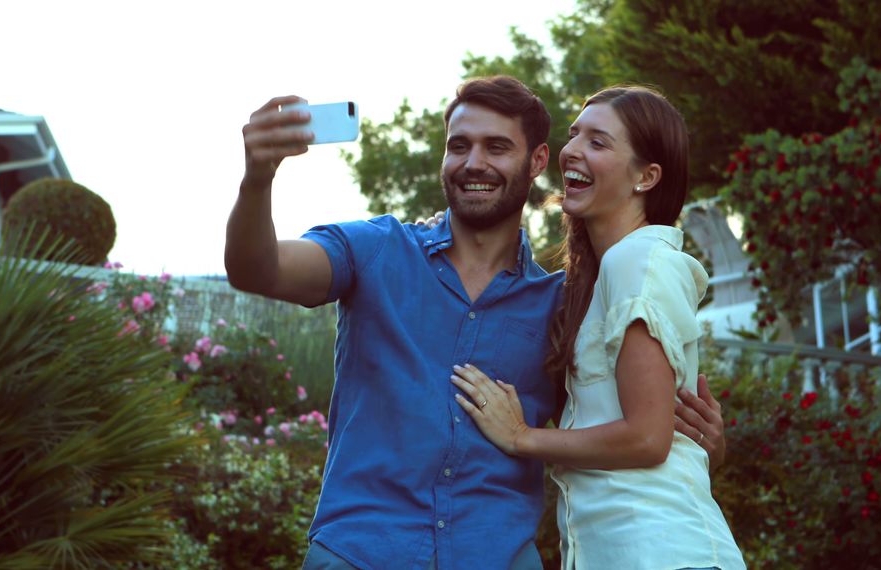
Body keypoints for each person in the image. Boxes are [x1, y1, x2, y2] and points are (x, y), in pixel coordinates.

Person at [225, 76, 728, 570]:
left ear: (535, 162)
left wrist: (697, 442)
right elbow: (256, 269)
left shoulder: (564, 302)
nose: (473, 163)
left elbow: (618, 422)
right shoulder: (375, 249)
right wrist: (257, 178)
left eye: (496, 147)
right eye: (459, 146)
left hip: (498, 556)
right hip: (360, 554)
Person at [450, 85, 745, 569]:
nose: (572, 151)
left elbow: (648, 439)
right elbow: (657, 430)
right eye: (575, 135)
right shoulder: (601, 276)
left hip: (660, 554)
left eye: (599, 142)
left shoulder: (637, 260)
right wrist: (706, 448)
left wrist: (522, 437)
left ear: (646, 177)